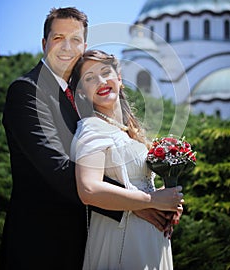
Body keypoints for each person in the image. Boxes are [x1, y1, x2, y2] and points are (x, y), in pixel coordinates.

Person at [0, 7, 179, 270]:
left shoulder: (83, 100)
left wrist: (165, 201)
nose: (66, 47)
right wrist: (136, 203)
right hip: (42, 244)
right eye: (58, 38)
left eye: (75, 40)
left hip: (87, 239)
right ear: (44, 43)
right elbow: (57, 168)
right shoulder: (28, 91)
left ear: (84, 46)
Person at [70, 49, 184, 270]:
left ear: (119, 79)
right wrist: (153, 201)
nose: (101, 81)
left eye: (105, 72)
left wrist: (169, 201)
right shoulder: (92, 129)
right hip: (122, 239)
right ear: (82, 92)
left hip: (152, 240)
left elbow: (138, 182)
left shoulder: (129, 131)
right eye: (90, 78)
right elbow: (88, 189)